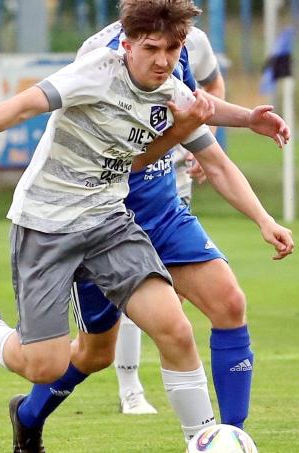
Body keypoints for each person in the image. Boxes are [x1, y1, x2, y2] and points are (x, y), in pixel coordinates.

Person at [0, 1, 291, 450]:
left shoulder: (172, 89)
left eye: (173, 49)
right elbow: (25, 104)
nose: (163, 60)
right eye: (152, 48)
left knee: (175, 328)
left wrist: (247, 120)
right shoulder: (95, 70)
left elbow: (206, 122)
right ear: (127, 44)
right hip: (47, 224)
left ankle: (203, 440)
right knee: (46, 365)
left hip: (109, 223)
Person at [104, 24, 227, 415]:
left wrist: (204, 139)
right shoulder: (104, 50)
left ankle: (184, 404)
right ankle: (130, 388)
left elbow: (212, 90)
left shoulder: (196, 41)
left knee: (174, 298)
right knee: (138, 295)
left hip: (173, 188)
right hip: (124, 192)